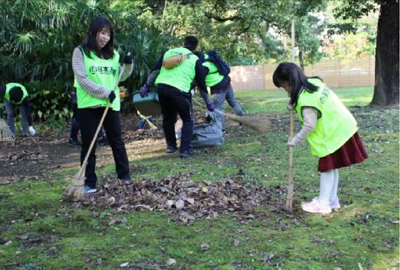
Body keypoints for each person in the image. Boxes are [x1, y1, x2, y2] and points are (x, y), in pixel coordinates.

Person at [272, 62, 368, 214]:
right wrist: (293, 101)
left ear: (290, 83)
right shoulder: (314, 82)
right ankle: (332, 199)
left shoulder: (306, 100)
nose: (285, 90)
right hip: (342, 126)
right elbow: (308, 99)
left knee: (327, 168)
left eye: (284, 87)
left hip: (332, 133)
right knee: (332, 166)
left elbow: (310, 125)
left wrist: (295, 140)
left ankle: (323, 204)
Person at [72, 16, 133, 194]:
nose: (105, 37)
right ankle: (89, 182)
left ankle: (124, 177)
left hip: (110, 105)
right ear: (93, 32)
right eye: (103, 33)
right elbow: (82, 79)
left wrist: (128, 66)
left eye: (108, 34)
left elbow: (119, 77)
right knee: (89, 144)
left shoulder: (113, 54)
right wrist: (105, 92)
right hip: (88, 106)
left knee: (117, 142)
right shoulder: (80, 52)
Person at [141, 36, 210, 158]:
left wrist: (147, 85)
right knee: (188, 119)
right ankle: (185, 150)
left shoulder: (168, 53)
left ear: (184, 43)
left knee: (168, 117)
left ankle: (171, 146)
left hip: (162, 88)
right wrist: (208, 102)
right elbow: (201, 83)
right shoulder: (195, 58)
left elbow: (155, 70)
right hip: (180, 91)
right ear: (195, 47)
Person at [197, 52, 244, 132]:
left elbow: (201, 84)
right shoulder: (209, 57)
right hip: (226, 81)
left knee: (218, 108)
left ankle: (221, 129)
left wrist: (208, 102)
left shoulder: (202, 66)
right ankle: (243, 119)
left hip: (218, 87)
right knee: (233, 102)